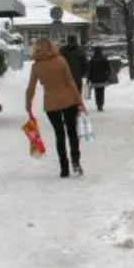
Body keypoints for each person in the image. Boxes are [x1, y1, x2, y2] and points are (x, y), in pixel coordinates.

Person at [26, 38, 87, 178]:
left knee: (59, 134)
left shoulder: (36, 66)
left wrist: (28, 105)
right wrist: (79, 101)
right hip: (68, 101)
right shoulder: (61, 61)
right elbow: (70, 82)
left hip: (50, 104)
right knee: (72, 132)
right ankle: (76, 162)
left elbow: (31, 88)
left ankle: (63, 167)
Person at [86, 46, 112, 112]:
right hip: (102, 78)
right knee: (101, 91)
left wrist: (88, 79)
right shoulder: (104, 59)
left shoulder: (92, 60)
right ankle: (101, 104)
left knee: (96, 92)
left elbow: (90, 70)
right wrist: (108, 76)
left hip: (94, 79)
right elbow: (108, 69)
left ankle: (98, 104)